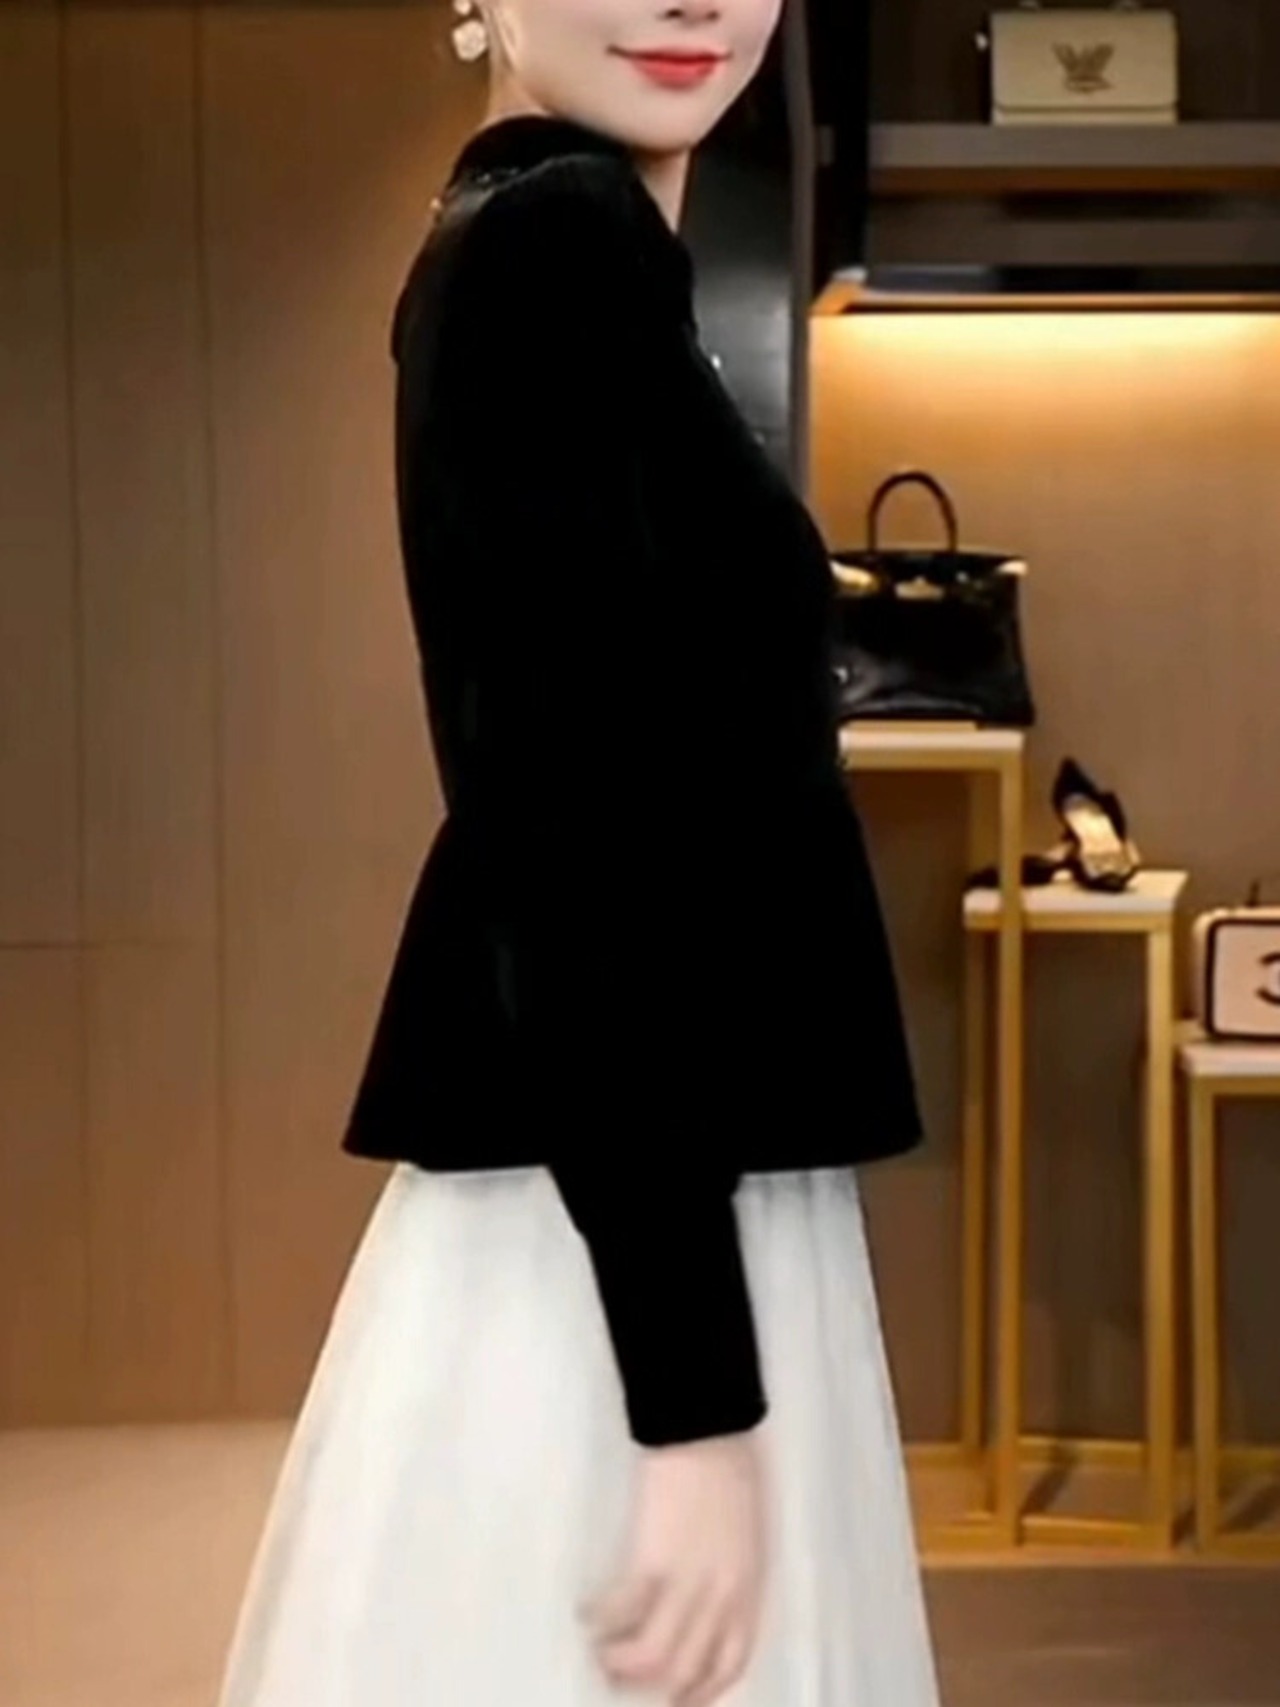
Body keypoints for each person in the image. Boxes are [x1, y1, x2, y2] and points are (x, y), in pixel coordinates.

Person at [213, 0, 942, 1702]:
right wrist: (690, 1407)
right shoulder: (559, 238)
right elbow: (569, 822)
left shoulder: (542, 236)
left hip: (629, 1153)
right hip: (630, 1184)